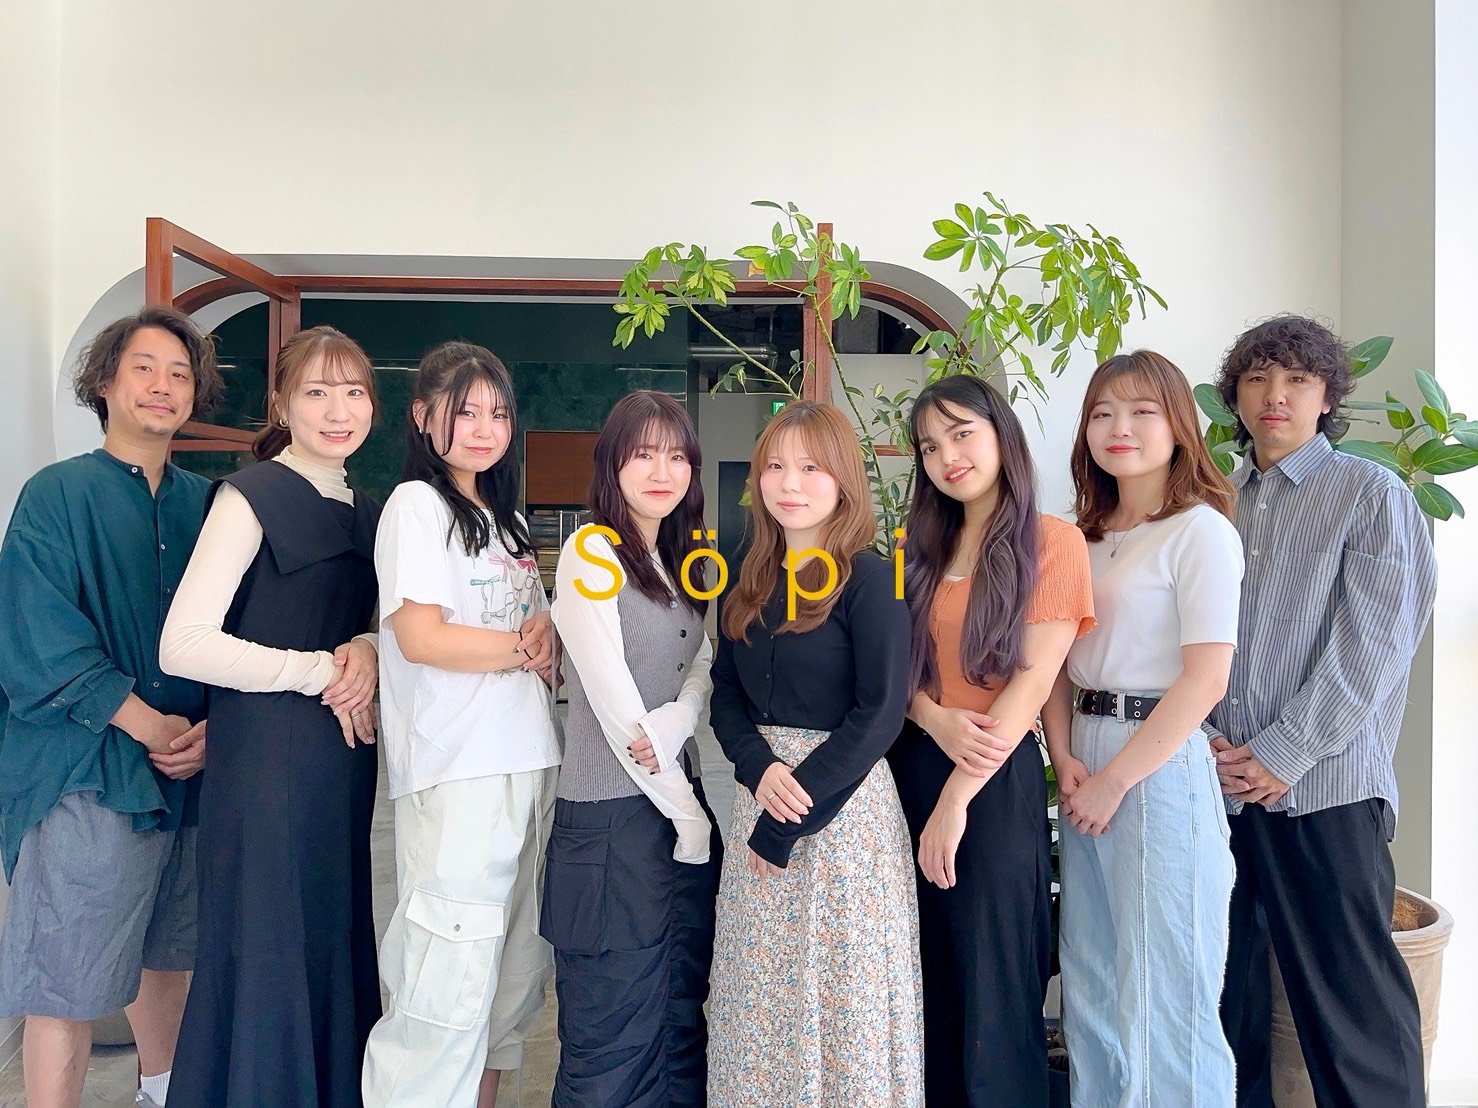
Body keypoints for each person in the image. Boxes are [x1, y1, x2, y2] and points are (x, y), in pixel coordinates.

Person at [1208, 316, 1436, 1108]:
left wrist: (1281, 752)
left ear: (1327, 396)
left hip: (1326, 790)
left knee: (1351, 1008)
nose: (1275, 395)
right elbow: (1182, 638)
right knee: (1224, 1003)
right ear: (1236, 395)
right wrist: (1208, 744)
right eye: (1258, 378)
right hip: (1217, 789)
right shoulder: (1214, 502)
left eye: (1296, 380)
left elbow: (1375, 645)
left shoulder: (1370, 494)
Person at [0, 307, 221, 1108]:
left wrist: (213, 728)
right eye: (144, 368)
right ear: (104, 381)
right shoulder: (56, 495)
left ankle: (160, 1093)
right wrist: (149, 723)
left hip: (193, 775)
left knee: (172, 959)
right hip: (86, 773)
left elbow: (239, 631)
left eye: (179, 374)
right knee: (65, 980)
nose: (163, 386)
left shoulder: (212, 505)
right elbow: (37, 637)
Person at [160, 325, 383, 1108]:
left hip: (341, 760)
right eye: (316, 392)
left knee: (329, 938)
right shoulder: (249, 496)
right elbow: (184, 643)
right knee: (268, 950)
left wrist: (366, 649)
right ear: (283, 405)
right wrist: (319, 669)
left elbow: (380, 626)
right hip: (262, 762)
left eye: (353, 392)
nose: (337, 410)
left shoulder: (369, 510)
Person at [1042, 350, 1243, 1107]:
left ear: (1179, 425)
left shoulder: (1200, 531)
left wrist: (1117, 778)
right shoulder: (1079, 537)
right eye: (1102, 413)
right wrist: (1064, 756)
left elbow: (1207, 678)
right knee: (1091, 980)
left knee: (1168, 990)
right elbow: (1053, 661)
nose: (1118, 427)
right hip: (1083, 754)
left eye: (1140, 411)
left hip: (1154, 760)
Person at [360, 342, 559, 1108]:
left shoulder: (504, 521)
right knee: (444, 983)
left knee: (507, 985)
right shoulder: (417, 506)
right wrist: (522, 648)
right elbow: (421, 637)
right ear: (422, 417)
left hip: (527, 762)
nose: (484, 428)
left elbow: (530, 634)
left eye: (498, 414)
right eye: (465, 411)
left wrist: (546, 639)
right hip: (458, 772)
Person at [707, 400, 922, 1107]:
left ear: (843, 481)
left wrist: (785, 819)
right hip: (762, 795)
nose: (789, 483)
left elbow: (881, 713)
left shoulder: (873, 579)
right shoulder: (747, 575)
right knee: (760, 995)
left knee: (839, 997)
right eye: (775, 466)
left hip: (840, 817)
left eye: (809, 467)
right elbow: (724, 694)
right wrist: (759, 769)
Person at [888, 374, 1094, 1107]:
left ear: (1000, 435)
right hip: (908, 768)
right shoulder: (916, 546)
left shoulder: (1053, 542)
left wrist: (955, 801)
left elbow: (1032, 684)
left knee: (994, 987)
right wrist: (933, 718)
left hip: (992, 780)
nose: (948, 457)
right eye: (929, 446)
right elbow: (892, 671)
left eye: (962, 433)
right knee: (924, 981)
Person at [543, 390, 722, 1107]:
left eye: (676, 456)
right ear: (612, 463)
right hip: (612, 821)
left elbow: (703, 656)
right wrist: (689, 815)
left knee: (678, 1013)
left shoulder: (682, 556)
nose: (661, 471)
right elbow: (621, 717)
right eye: (643, 454)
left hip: (672, 811)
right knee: (610, 1032)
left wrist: (682, 715)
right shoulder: (590, 551)